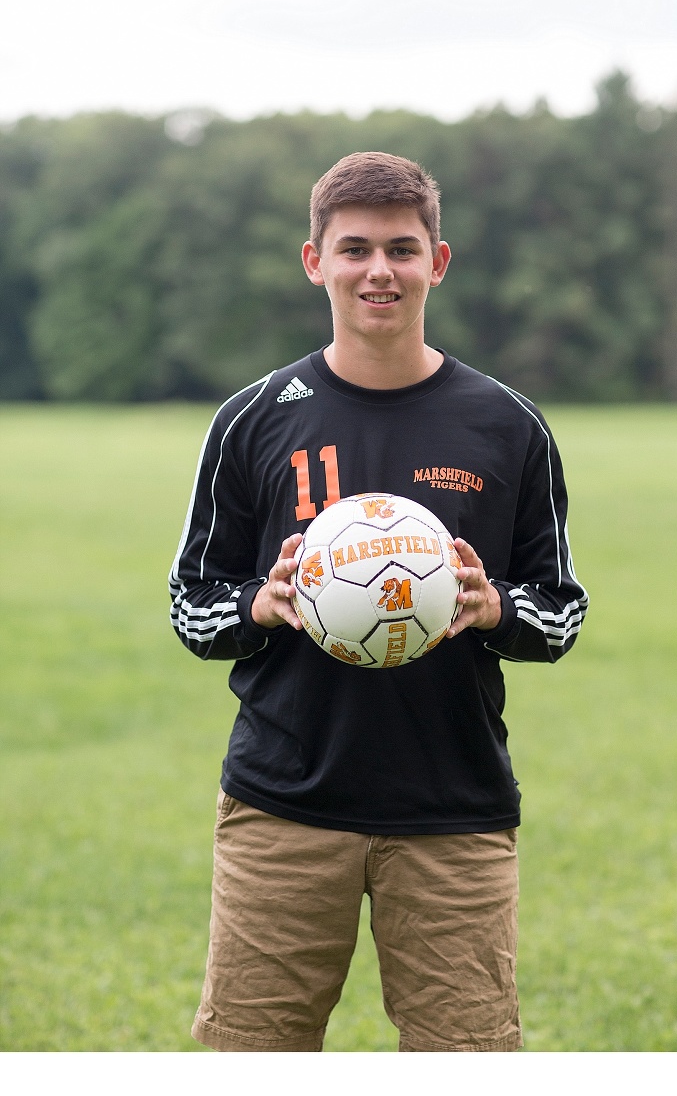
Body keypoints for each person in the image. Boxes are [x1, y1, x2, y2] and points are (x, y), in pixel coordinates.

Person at [169, 151, 588, 1053]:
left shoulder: (507, 424)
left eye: (402, 249)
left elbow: (560, 606)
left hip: (453, 812)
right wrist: (264, 604)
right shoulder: (254, 418)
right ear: (314, 261)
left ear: (438, 262)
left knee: (466, 1059)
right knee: (251, 1057)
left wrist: (494, 608)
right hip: (283, 806)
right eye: (354, 249)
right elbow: (191, 602)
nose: (378, 271)